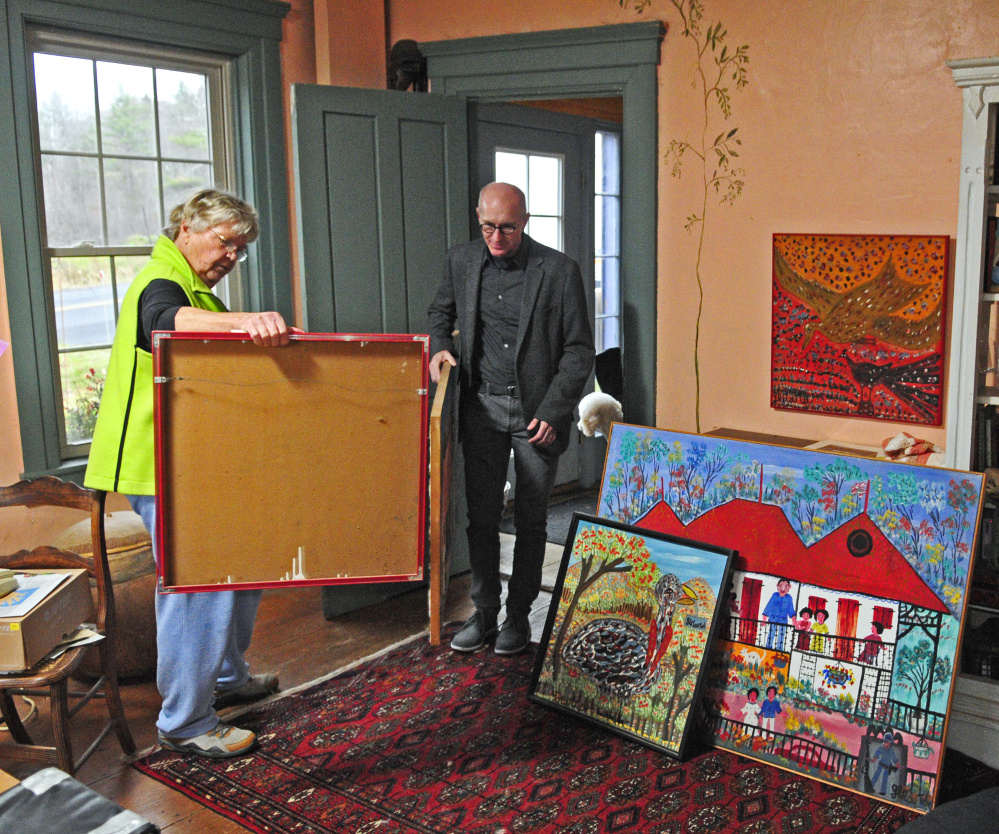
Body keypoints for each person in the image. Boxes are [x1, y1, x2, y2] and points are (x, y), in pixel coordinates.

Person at [85, 188, 298, 758]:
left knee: (244, 564)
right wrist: (252, 321)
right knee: (198, 586)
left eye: (241, 247)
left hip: (198, 460)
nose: (232, 254)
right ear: (185, 227)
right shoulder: (163, 279)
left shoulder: (197, 287)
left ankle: (226, 677)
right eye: (225, 240)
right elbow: (161, 324)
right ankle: (184, 722)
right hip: (157, 465)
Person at [428, 182, 594, 656]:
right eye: (487, 227)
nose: (496, 237)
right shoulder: (461, 261)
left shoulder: (559, 271)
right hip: (481, 411)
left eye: (506, 228)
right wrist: (440, 346)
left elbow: (579, 350)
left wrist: (553, 410)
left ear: (525, 221)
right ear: (477, 218)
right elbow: (440, 313)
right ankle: (484, 613)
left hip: (535, 416)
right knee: (480, 516)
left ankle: (518, 618)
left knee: (531, 518)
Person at [761, 578, 796, 650]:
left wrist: (794, 620)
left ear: (789, 587)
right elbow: (769, 606)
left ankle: (779, 649)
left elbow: (791, 609)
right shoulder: (775, 595)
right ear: (777, 586)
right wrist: (764, 620)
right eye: (781, 586)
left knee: (781, 635)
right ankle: (768, 648)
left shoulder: (789, 598)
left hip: (783, 620)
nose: (783, 589)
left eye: (785, 586)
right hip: (773, 618)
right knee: (771, 634)